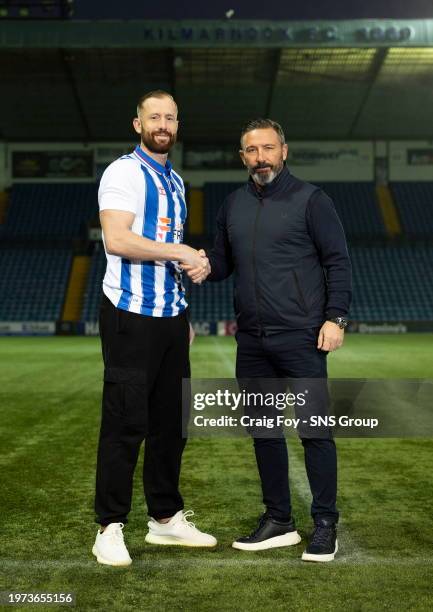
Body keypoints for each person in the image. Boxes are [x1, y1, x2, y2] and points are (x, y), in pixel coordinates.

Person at [204, 118, 352, 562]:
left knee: (315, 432)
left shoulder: (312, 200)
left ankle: (325, 524)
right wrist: (189, 260)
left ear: (284, 151)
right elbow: (221, 262)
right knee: (264, 432)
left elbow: (338, 261)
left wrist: (336, 318)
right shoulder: (232, 204)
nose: (261, 157)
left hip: (302, 337)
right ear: (243, 156)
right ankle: (278, 520)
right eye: (252, 150)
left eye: (268, 148)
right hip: (251, 341)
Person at [92, 90, 216, 567]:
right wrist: (183, 253)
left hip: (169, 318)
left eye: (170, 118)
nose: (162, 124)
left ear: (177, 126)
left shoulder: (177, 182)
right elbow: (118, 238)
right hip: (129, 314)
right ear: (137, 123)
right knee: (126, 422)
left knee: (171, 424)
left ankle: (165, 520)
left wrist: (182, 307)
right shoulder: (124, 172)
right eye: (154, 117)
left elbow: (165, 249)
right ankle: (109, 526)